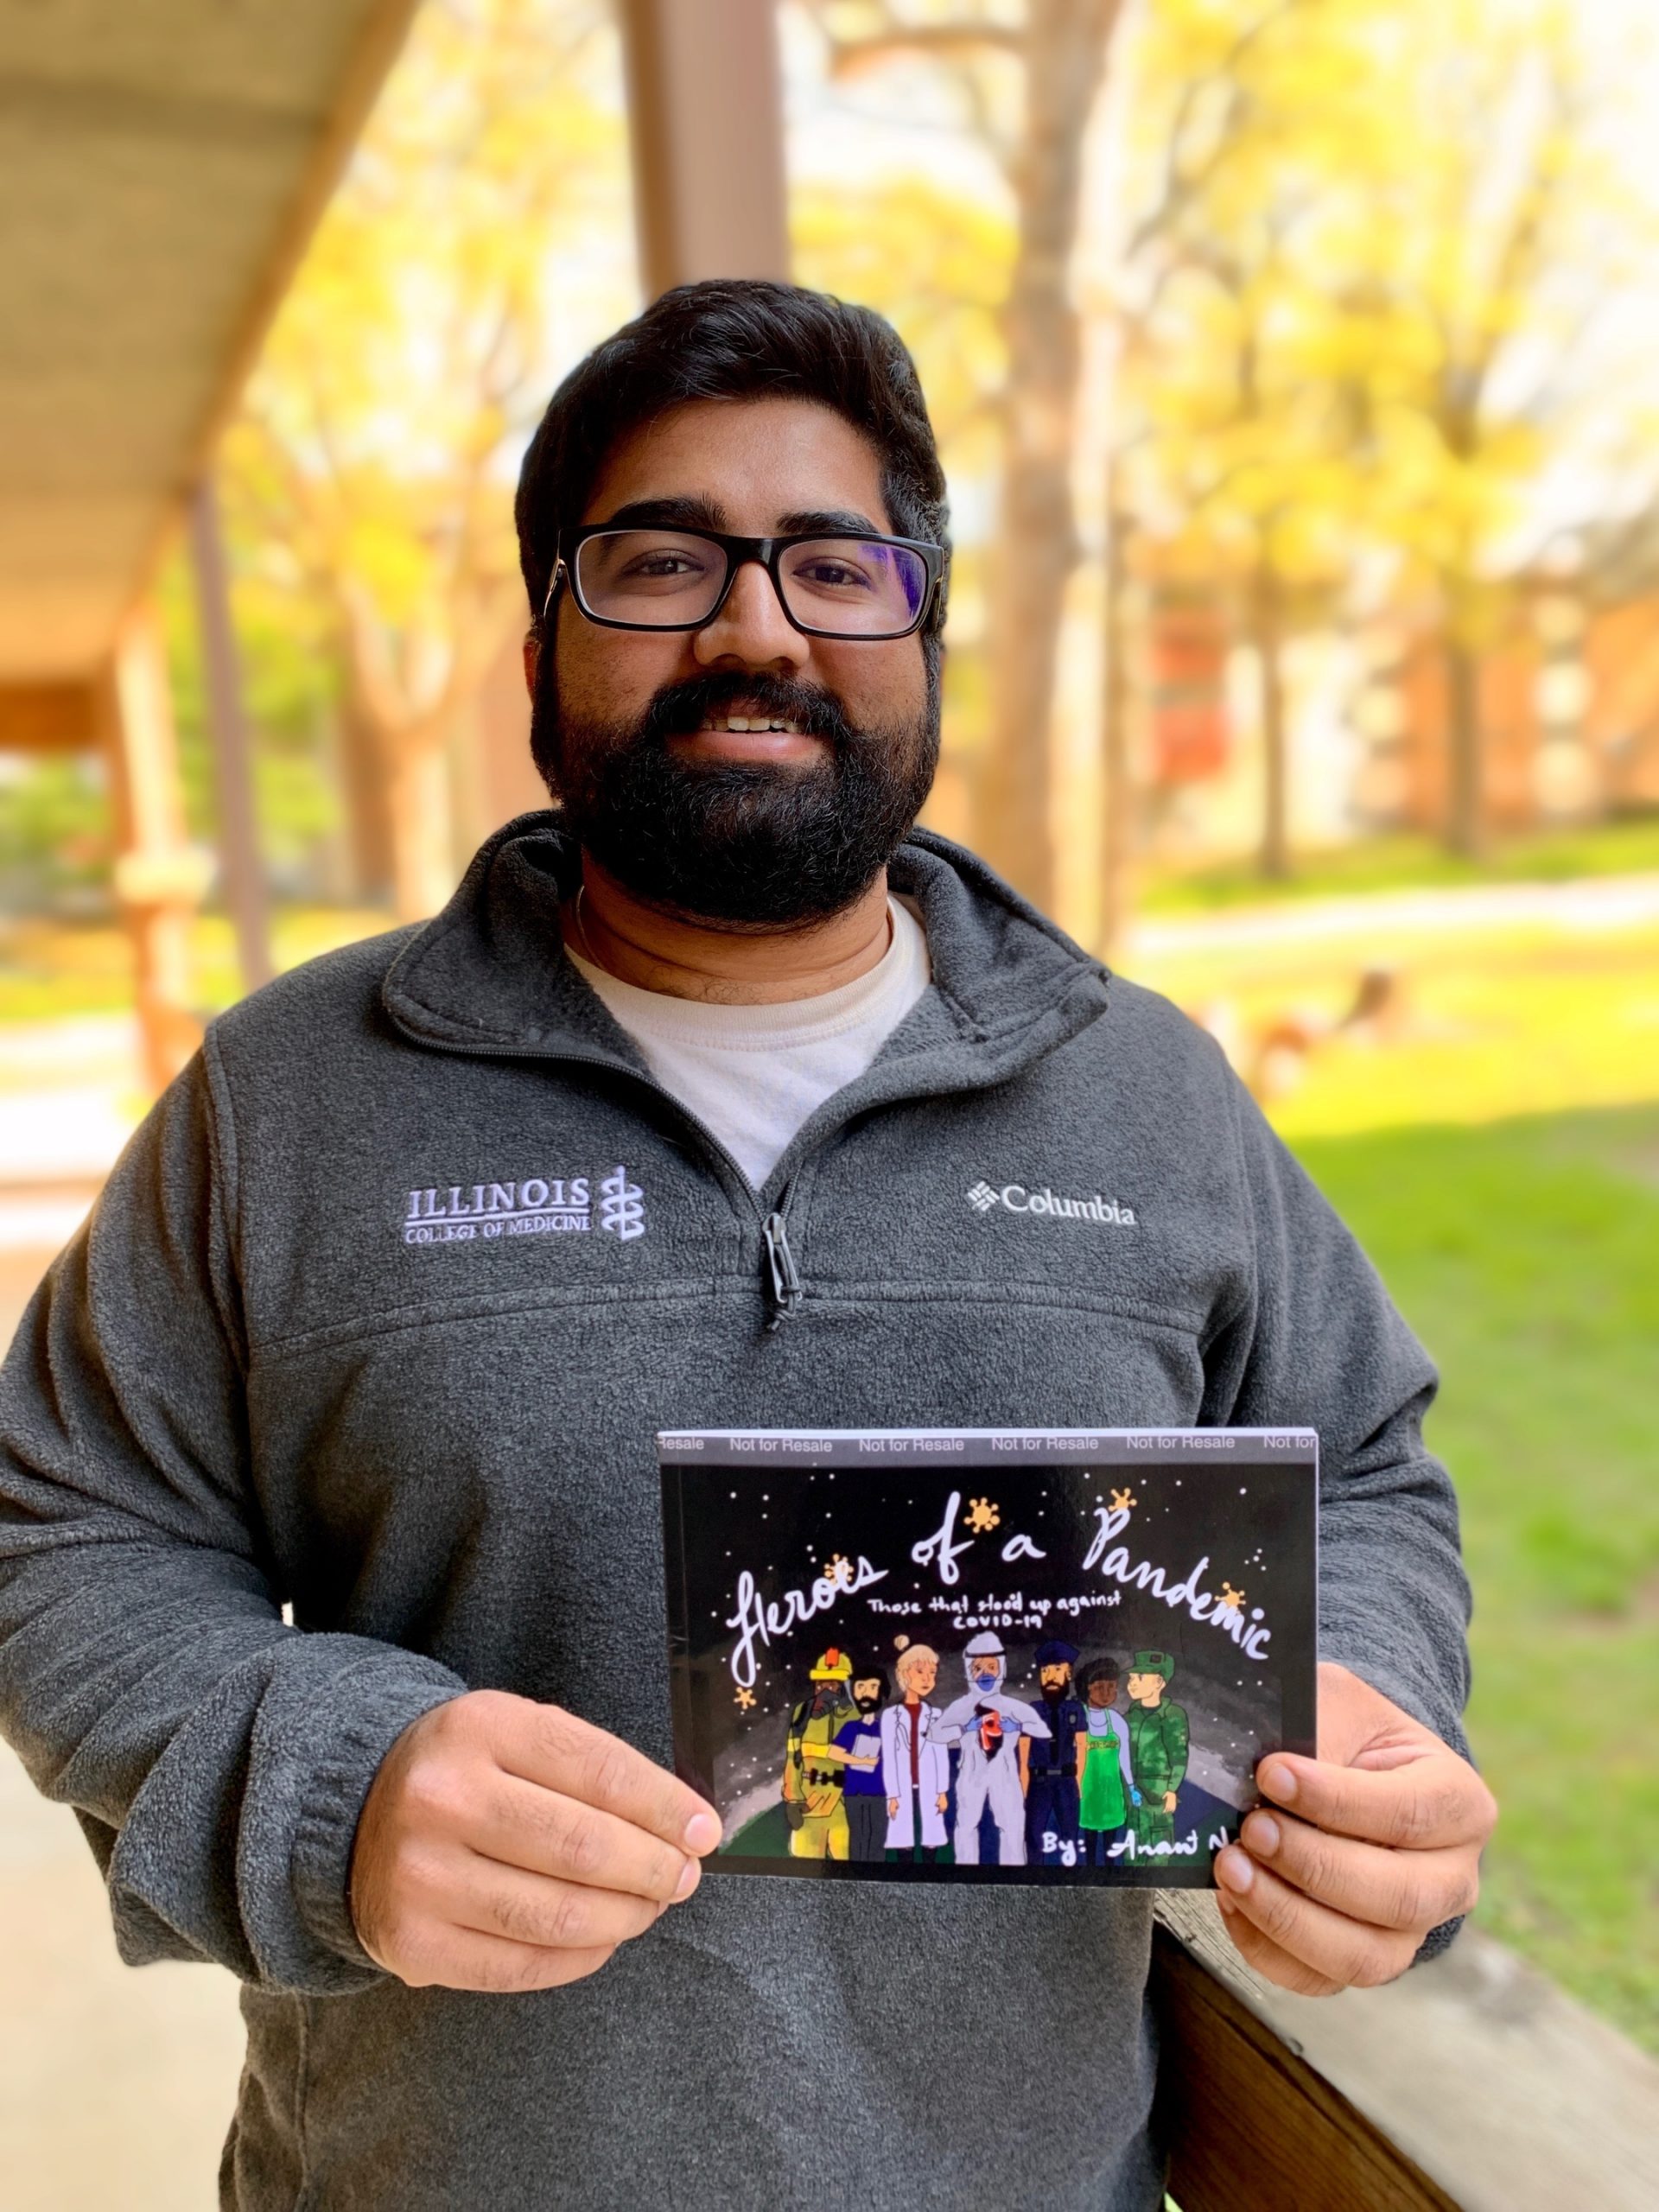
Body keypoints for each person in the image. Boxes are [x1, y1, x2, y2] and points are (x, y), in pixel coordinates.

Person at [0, 279, 1496, 2211]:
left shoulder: (1147, 1092)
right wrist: (326, 1780)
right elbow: (68, 1519)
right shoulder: (290, 1096)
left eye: (834, 564)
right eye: (660, 561)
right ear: (542, 636)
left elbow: (1364, 1461)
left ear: (922, 630)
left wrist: (1357, 1702)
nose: (754, 625)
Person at [934, 1631, 1051, 1866]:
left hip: (1004, 1772)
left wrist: (1017, 1725)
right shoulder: (962, 1706)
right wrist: (963, 1728)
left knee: (1012, 1823)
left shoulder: (1012, 1706)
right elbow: (935, 1734)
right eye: (978, 1668)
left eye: (991, 1666)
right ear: (969, 1671)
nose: (985, 1673)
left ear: (1001, 1669)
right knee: (966, 1824)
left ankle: (1014, 1871)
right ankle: (966, 1870)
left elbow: (1043, 1730)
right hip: (971, 1772)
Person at [782, 1647, 860, 1859]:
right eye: (820, 1684)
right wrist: (793, 1800)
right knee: (803, 1868)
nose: (825, 1690)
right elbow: (792, 1758)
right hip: (809, 1806)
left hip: (842, 1807)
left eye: (832, 1684)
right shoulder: (803, 1713)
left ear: (844, 1686)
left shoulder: (855, 1716)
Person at [1020, 1636, 1089, 1866]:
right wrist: (1023, 1786)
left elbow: (1082, 1745)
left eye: (1057, 1670)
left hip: (1066, 1782)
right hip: (1038, 1783)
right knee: (1033, 1836)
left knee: (1070, 1836)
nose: (1050, 1677)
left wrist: (1078, 1782)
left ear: (1068, 1674)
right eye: (1045, 1671)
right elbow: (1024, 1751)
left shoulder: (1075, 1709)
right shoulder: (1033, 1710)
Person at [880, 1641, 950, 1861]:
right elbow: (889, 1758)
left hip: (928, 1784)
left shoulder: (936, 1715)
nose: (927, 1679)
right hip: (902, 1785)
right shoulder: (891, 1716)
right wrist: (892, 1795)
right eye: (920, 1672)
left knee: (931, 1835)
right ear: (904, 1674)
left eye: (932, 1673)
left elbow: (941, 1756)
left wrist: (941, 1791)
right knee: (904, 1839)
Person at [1076, 1656, 1140, 1866]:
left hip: (1111, 1794)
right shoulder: (1079, 1719)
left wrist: (1131, 1787)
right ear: (1087, 1689)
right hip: (1087, 1793)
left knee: (1112, 1846)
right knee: (1090, 1843)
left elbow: (1124, 1759)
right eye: (1099, 1687)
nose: (1106, 1693)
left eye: (1111, 1687)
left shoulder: (1117, 1721)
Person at [1125, 1650, 1190, 1853]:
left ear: (1159, 1682)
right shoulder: (1129, 1716)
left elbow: (1179, 1756)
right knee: (1132, 1846)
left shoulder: (1173, 1715)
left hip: (1158, 1792)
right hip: (1132, 1793)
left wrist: (1172, 1789)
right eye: (1131, 1678)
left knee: (1158, 1846)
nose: (1132, 1683)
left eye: (1141, 1677)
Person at [826, 1665, 889, 1862]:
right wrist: (861, 1761)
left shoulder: (885, 1727)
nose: (865, 1693)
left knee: (878, 1837)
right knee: (859, 1837)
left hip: (881, 1793)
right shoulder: (851, 1727)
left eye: (872, 1687)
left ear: (881, 1692)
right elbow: (834, 1752)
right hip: (855, 1793)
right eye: (860, 1687)